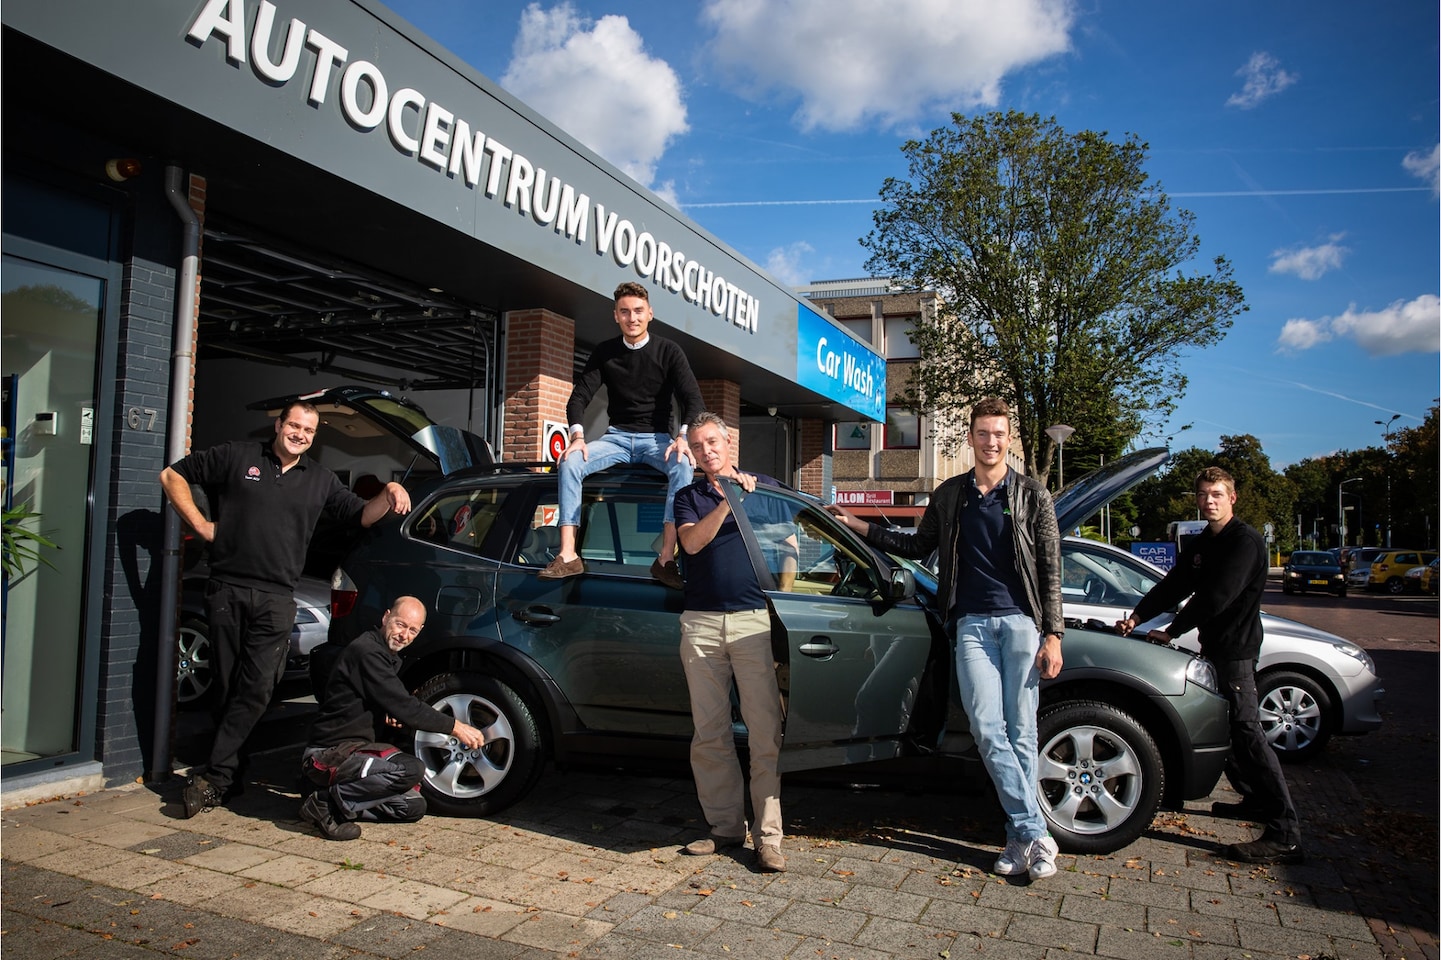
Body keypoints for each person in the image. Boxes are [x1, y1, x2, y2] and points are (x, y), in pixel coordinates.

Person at [827, 398, 1065, 882]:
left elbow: (1050, 567)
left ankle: (1019, 840)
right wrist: (860, 526)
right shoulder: (951, 493)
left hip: (1022, 623)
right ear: (971, 437)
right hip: (972, 625)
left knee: (1022, 735)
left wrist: (1053, 634)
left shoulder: (1032, 494)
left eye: (999, 434)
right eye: (983, 433)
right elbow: (917, 546)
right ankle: (1036, 832)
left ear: (1009, 439)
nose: (991, 442)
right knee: (987, 729)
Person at [159, 401, 412, 818]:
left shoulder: (321, 480)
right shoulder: (237, 456)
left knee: (258, 688)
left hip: (277, 598)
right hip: (227, 590)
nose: (300, 435)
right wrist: (200, 525)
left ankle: (216, 776)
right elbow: (172, 476)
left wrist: (388, 492)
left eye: (308, 430)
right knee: (227, 688)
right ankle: (228, 777)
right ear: (278, 426)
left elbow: (362, 516)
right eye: (294, 426)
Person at [1117, 466, 1303, 865]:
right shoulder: (1205, 541)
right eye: (1202, 494)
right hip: (1214, 647)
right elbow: (1175, 584)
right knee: (1229, 726)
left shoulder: (1245, 542)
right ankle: (1254, 800)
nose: (1209, 501)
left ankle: (1285, 833)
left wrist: (1172, 630)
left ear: (1232, 498)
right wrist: (1138, 616)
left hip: (1237, 652)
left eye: (1216, 494)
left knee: (1248, 732)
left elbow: (1216, 597)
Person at [673, 412, 795, 873]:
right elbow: (691, 544)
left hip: (753, 624)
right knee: (710, 733)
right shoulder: (689, 496)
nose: (706, 451)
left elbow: (790, 544)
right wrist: (727, 502)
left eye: (712, 442)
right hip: (701, 625)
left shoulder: (766, 488)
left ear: (729, 442)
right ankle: (724, 827)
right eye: (697, 446)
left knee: (765, 732)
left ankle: (769, 838)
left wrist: (782, 604)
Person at [539, 281, 703, 589]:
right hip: (614, 438)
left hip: (657, 440)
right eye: (625, 312)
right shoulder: (605, 352)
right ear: (616, 316)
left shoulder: (669, 351)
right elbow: (578, 397)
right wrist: (577, 437)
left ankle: (666, 560)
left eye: (638, 311)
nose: (632, 318)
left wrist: (683, 437)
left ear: (650, 313)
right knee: (570, 463)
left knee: (683, 465)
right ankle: (568, 555)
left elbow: (692, 398)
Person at [298, 597, 486, 840]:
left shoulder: (387, 656)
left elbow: (381, 698)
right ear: (386, 617)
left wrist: (384, 712)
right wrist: (456, 727)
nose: (404, 635)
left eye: (412, 630)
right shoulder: (366, 652)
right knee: (410, 769)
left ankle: (330, 796)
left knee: (413, 807)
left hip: (356, 752)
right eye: (400, 624)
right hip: (328, 753)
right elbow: (405, 706)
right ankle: (326, 804)